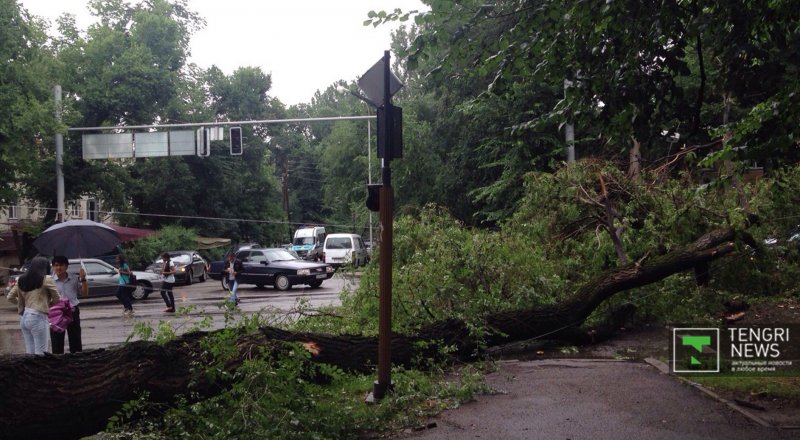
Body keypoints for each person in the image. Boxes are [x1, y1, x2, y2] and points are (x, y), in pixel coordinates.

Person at [6, 257, 60, 354]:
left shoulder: (21, 279)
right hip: (38, 317)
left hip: (24, 318)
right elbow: (57, 298)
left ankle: (28, 369)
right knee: (41, 352)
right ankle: (40, 369)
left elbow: (10, 297)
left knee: (29, 351)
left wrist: (22, 304)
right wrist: (48, 304)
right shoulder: (46, 279)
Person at [50, 255, 88, 354]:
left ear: (67, 266)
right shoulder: (49, 281)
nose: (58, 268)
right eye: (56, 265)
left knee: (75, 337)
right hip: (56, 312)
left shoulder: (74, 278)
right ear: (53, 267)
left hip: (72, 310)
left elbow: (84, 294)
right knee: (57, 339)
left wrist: (83, 279)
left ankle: (76, 360)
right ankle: (58, 362)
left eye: (61, 265)